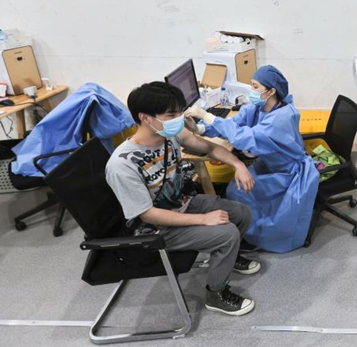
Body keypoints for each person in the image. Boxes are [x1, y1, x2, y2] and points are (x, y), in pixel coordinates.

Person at [105, 82, 260, 317]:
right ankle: (215, 294)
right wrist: (203, 219)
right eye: (172, 115)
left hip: (181, 204)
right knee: (226, 232)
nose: (179, 119)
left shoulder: (170, 134)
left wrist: (238, 164)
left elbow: (208, 147)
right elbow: (147, 214)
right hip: (155, 229)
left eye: (180, 112)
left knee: (241, 212)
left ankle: (230, 257)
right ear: (145, 118)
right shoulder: (122, 164)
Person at [188, 65, 320, 253]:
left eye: (255, 86)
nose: (251, 90)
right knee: (237, 188)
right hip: (270, 165)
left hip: (288, 173)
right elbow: (234, 124)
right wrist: (201, 128)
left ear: (271, 91)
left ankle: (256, 236)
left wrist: (208, 117)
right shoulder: (258, 107)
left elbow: (246, 137)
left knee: (240, 190)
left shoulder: (281, 117)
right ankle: (248, 229)